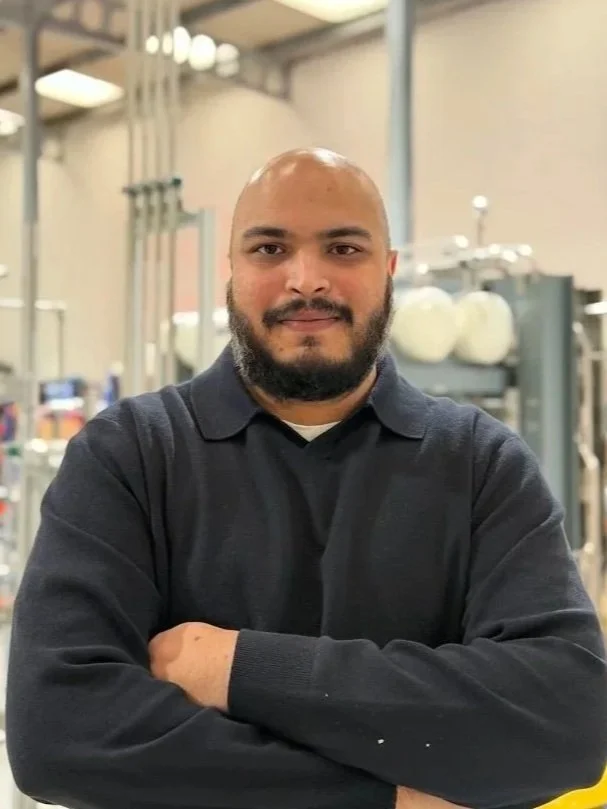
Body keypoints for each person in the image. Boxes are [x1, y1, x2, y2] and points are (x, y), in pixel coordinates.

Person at [5, 147, 607, 809]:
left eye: (342, 249)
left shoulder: (479, 463)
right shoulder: (131, 456)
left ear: (388, 271)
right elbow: (59, 729)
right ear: (229, 272)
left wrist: (233, 667)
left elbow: (568, 717)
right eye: (268, 249)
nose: (306, 279)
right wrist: (380, 798)